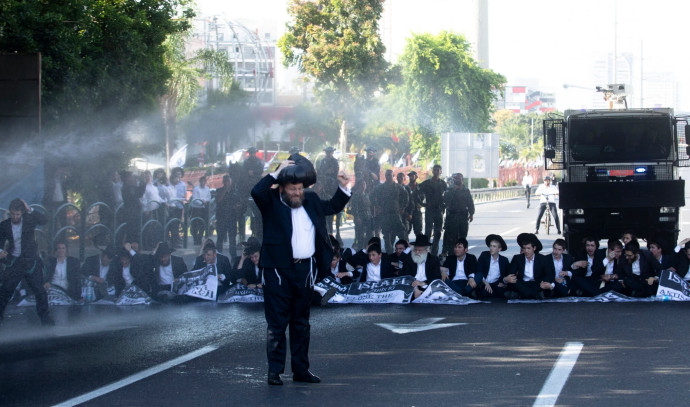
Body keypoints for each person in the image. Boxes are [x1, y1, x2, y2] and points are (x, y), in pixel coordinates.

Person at [251, 153, 350, 386]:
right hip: (277, 270)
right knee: (277, 324)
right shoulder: (271, 201)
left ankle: (301, 370)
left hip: (304, 270)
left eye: (299, 188)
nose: (297, 193)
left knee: (301, 323)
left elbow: (333, 206)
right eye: (292, 188)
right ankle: (274, 372)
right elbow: (256, 191)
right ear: (282, 187)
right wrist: (277, 171)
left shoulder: (311, 200)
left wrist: (344, 186)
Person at [0, 199, 54, 326]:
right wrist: (0, 251)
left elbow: (44, 220)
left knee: (39, 291)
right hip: (15, 261)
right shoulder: (5, 225)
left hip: (31, 261)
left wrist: (30, 210)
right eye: (13, 214)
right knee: (6, 289)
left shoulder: (29, 220)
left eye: (17, 214)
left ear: (22, 213)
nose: (15, 217)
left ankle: (45, 318)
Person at [371, 169, 408, 253]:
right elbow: (371, 196)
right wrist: (377, 206)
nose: (388, 176)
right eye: (387, 175)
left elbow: (406, 196)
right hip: (385, 214)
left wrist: (403, 207)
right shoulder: (380, 187)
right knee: (386, 236)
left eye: (390, 175)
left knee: (402, 233)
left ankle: (403, 253)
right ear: (385, 176)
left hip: (396, 214)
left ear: (393, 176)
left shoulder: (398, 187)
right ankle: (389, 255)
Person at [441, 173, 474, 257]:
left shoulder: (466, 190)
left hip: (463, 217)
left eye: (459, 178)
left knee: (462, 236)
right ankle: (451, 255)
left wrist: (471, 213)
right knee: (451, 237)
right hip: (452, 216)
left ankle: (462, 254)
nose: (457, 180)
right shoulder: (449, 189)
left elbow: (470, 203)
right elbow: (445, 201)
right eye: (455, 178)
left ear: (462, 179)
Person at [401, 234, 442, 299]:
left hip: (427, 286)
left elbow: (436, 277)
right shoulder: (409, 259)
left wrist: (423, 283)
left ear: (427, 250)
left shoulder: (433, 260)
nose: (417, 252)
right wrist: (415, 289)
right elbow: (405, 276)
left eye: (420, 250)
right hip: (412, 287)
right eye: (415, 250)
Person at [419, 165, 447, 256]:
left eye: (438, 170)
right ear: (432, 171)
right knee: (427, 232)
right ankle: (426, 252)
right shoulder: (426, 183)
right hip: (429, 210)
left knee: (438, 233)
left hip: (439, 211)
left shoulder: (443, 184)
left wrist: (444, 207)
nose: (436, 171)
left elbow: (448, 197)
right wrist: (423, 204)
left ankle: (434, 254)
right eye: (434, 170)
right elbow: (416, 193)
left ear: (441, 172)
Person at [215, 174, 244, 261]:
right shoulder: (219, 190)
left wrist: (237, 206)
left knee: (232, 239)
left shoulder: (235, 191)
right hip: (221, 218)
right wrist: (224, 191)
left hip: (232, 218)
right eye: (225, 181)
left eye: (228, 181)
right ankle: (218, 257)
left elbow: (240, 203)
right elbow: (218, 201)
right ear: (223, 182)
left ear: (231, 182)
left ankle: (233, 258)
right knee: (220, 238)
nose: (227, 183)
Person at [475, 234, 510, 299]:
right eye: (490, 246)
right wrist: (485, 283)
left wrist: (503, 283)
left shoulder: (504, 260)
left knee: (502, 294)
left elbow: (506, 274)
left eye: (494, 246)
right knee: (484, 294)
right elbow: (479, 271)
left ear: (499, 249)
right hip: (485, 282)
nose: (491, 248)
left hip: (496, 283)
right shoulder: (484, 255)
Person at [190, 176, 211, 245]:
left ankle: (200, 237)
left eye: (204, 181)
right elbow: (195, 199)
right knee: (195, 224)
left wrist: (205, 202)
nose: (203, 183)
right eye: (201, 181)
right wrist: (202, 202)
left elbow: (208, 198)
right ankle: (195, 238)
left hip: (204, 208)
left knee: (203, 224)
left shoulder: (207, 189)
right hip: (196, 208)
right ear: (200, 182)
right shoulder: (196, 189)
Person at [406, 170, 424, 238]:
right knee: (406, 231)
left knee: (418, 231)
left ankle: (419, 247)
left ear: (416, 177)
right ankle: (406, 248)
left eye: (412, 176)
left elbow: (423, 197)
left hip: (417, 211)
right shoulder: (406, 188)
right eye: (409, 176)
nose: (410, 177)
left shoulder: (420, 187)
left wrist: (422, 204)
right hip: (408, 212)